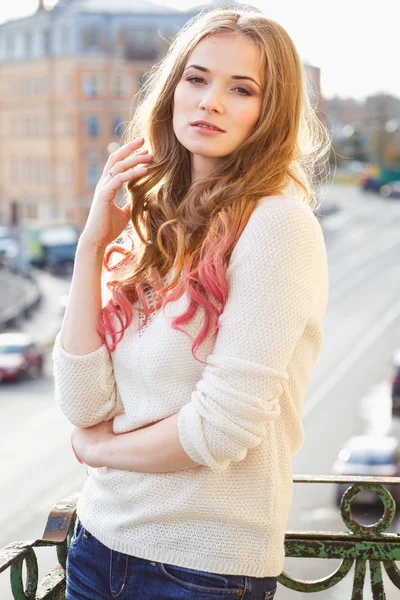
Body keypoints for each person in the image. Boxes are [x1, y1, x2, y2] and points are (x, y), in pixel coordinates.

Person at [53, 5, 330, 599]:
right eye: (197, 78)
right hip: (96, 545)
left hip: (198, 570)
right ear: (173, 87)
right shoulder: (162, 220)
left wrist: (103, 448)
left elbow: (223, 428)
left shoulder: (278, 223)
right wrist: (91, 246)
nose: (210, 102)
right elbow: (84, 400)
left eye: (241, 89)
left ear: (269, 110)